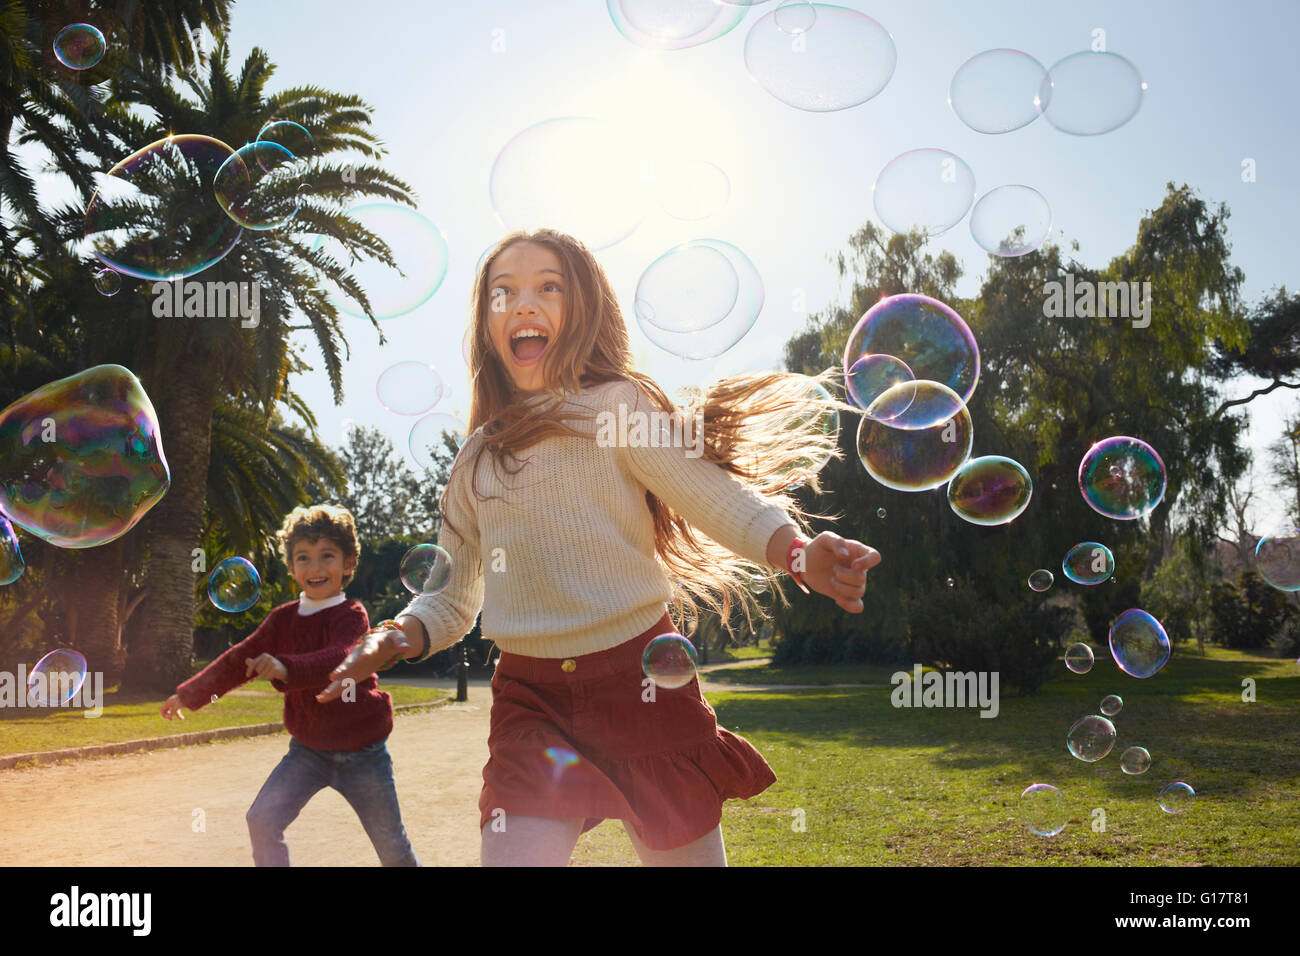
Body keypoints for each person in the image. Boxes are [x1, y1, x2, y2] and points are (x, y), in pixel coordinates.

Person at [318, 229, 880, 866]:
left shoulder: (617, 408)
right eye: (503, 293)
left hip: (644, 681)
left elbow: (711, 496)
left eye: (547, 287)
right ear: (486, 323)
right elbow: (448, 598)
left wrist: (798, 552)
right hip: (532, 704)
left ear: (582, 309)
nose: (523, 305)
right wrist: (394, 635)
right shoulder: (476, 459)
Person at [161, 504, 419, 867]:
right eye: (304, 558)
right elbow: (239, 660)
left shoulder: (352, 615)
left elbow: (339, 658)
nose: (315, 567)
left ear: (348, 564)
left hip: (363, 753)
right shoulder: (282, 619)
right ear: (293, 568)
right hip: (308, 752)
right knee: (261, 820)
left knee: (393, 848)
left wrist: (285, 667)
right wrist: (188, 694)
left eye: (327, 556)